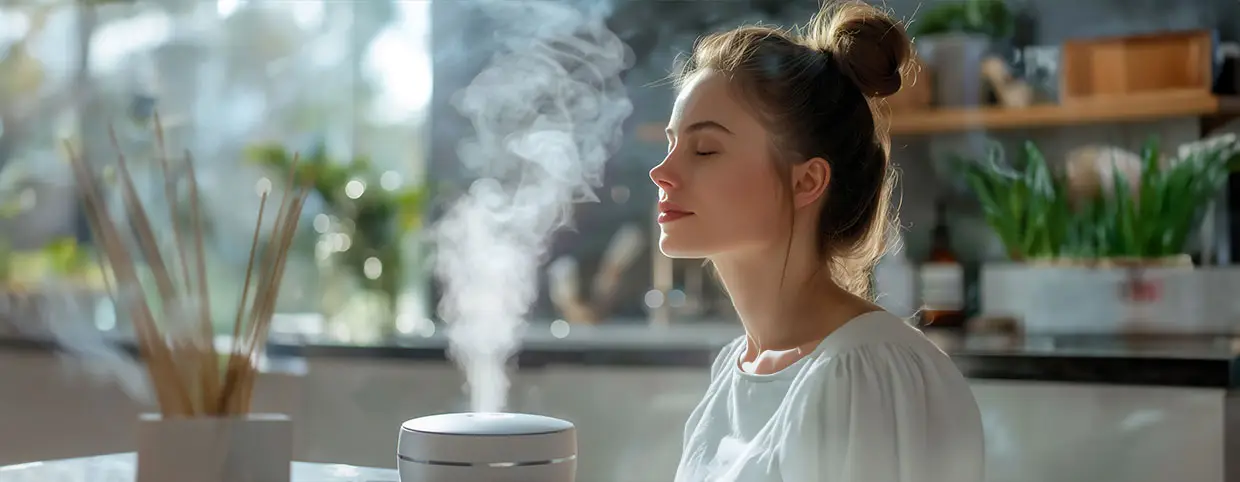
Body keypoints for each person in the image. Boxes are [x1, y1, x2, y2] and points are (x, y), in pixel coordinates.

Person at [648, 2, 985, 481]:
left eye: (704, 149)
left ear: (807, 182)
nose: (661, 172)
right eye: (671, 143)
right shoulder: (737, 368)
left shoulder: (865, 373)